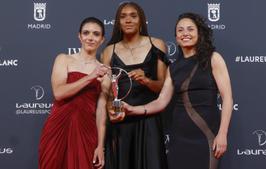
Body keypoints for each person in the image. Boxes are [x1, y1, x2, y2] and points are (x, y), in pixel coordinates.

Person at [123, 13, 233, 169]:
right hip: (179, 138)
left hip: (206, 135)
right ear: (176, 37)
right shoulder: (173, 68)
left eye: (190, 29)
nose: (185, 33)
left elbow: (227, 98)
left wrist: (222, 134)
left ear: (199, 33)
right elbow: (161, 102)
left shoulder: (213, 58)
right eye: (180, 30)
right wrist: (133, 110)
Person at [101, 2, 170, 169]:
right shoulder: (109, 51)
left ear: (141, 21)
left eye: (133, 16)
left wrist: (146, 80)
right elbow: (108, 92)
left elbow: (163, 88)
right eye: (123, 17)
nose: (128, 20)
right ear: (118, 22)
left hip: (149, 119)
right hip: (121, 121)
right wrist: (111, 107)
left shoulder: (157, 45)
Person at [39, 17, 109, 169]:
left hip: (86, 130)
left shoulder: (105, 72)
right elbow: (59, 93)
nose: (90, 37)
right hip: (58, 127)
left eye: (96, 34)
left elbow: (101, 111)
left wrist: (100, 146)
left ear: (102, 40)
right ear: (79, 36)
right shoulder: (64, 59)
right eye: (86, 33)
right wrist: (91, 77)